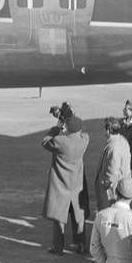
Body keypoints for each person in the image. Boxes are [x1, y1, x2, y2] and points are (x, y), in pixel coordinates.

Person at [41, 109, 90, 255]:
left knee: (59, 217)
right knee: (78, 216)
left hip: (61, 184)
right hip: (77, 183)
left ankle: (58, 247)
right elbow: (82, 132)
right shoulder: (84, 140)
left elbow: (45, 142)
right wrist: (70, 120)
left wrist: (57, 127)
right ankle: (80, 245)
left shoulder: (60, 141)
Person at [94, 117, 131, 212]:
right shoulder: (122, 139)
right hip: (121, 184)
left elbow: (112, 172)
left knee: (108, 213)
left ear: (109, 130)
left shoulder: (113, 147)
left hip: (112, 189)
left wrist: (107, 189)